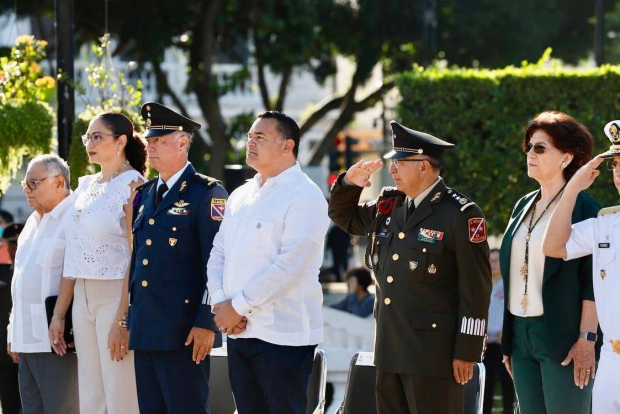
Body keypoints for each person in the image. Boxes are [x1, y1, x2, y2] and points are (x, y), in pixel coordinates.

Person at [329, 121, 492, 414]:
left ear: (423, 167)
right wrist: (348, 183)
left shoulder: (460, 214)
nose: (391, 170)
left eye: (399, 162)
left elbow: (476, 288)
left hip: (434, 355)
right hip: (390, 349)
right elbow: (346, 218)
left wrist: (467, 351)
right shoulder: (390, 207)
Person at [207, 111, 330, 414]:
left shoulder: (305, 196)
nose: (250, 142)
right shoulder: (240, 195)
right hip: (239, 333)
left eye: (260, 137)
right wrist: (221, 304)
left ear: (287, 146)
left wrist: (237, 308)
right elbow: (218, 252)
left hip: (282, 336)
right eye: (249, 136)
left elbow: (289, 267)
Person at [130, 102, 228, 414]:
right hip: (147, 328)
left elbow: (218, 263)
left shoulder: (206, 193)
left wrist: (206, 321)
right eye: (149, 141)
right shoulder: (144, 194)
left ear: (183, 143)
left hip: (184, 330)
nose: (151, 147)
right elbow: (140, 263)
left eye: (158, 141)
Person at [500, 111, 601, 414]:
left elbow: (594, 278)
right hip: (520, 333)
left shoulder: (584, 205)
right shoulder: (522, 204)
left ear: (567, 157)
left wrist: (587, 339)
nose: (530, 153)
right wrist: (511, 340)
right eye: (529, 147)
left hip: (564, 334)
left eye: (540, 148)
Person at [50, 112, 146, 414]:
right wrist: (59, 313)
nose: (90, 143)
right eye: (87, 137)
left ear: (120, 142)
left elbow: (138, 253)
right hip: (82, 297)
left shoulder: (134, 186)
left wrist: (123, 317)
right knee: (91, 395)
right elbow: (73, 251)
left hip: (116, 294)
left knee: (121, 393)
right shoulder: (85, 186)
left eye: (97, 137)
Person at [543, 119, 620, 413]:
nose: (619, 172)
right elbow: (553, 246)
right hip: (612, 358)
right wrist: (572, 189)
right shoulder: (606, 224)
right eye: (614, 165)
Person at [7, 154, 79, 414]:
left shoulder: (75, 217)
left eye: (33, 183)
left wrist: (59, 317)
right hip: (27, 342)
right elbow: (21, 280)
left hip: (57, 343)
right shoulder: (31, 222)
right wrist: (13, 333)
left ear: (59, 182)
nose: (26, 189)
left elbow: (73, 275)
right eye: (26, 184)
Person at [483, 248, 514, 414]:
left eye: (497, 261)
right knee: (486, 384)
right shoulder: (483, 284)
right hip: (485, 343)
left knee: (506, 383)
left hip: (503, 343)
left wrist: (505, 333)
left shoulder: (508, 285)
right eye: (490, 260)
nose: (493, 264)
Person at [0, 223, 24, 414]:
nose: (14, 249)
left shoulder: (32, 272)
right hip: (4, 354)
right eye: (11, 245)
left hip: (28, 348)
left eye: (17, 244)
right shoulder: (2, 273)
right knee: (9, 405)